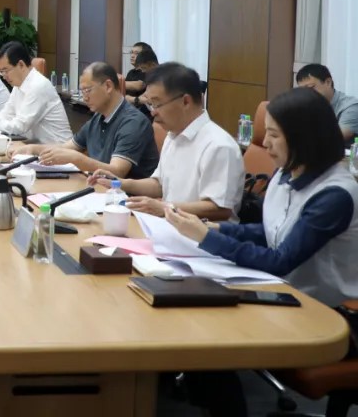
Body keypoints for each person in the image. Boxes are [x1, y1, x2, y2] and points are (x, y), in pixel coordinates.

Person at [167, 87, 357, 306]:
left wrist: (207, 238)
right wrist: (215, 228)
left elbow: (281, 261)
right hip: (279, 290)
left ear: (304, 139)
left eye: (274, 135)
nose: (265, 142)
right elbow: (273, 232)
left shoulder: (334, 195)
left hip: (322, 306)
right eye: (266, 132)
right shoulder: (285, 172)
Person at [88, 62, 243, 220]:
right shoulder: (173, 136)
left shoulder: (219, 146)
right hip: (169, 226)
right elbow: (159, 185)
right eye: (150, 104)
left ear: (185, 101)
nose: (153, 112)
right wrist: (118, 183)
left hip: (203, 234)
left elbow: (220, 209)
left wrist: (166, 208)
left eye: (157, 104)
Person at [13, 62, 158, 179]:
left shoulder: (133, 122)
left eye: (87, 90)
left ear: (108, 86)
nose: (84, 97)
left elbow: (117, 172)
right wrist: (33, 149)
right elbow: (66, 148)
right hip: (98, 190)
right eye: (82, 92)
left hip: (125, 199)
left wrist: (77, 159)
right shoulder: (98, 117)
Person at [0, 41, 71, 144]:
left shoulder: (38, 86)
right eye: (1, 72)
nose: (4, 76)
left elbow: (20, 126)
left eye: (5, 70)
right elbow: (5, 116)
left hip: (58, 151)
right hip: (34, 146)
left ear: (21, 65)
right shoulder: (18, 85)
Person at [296, 63, 358, 140]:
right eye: (302, 90)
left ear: (328, 82)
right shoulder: (305, 106)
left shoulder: (350, 106)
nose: (306, 93)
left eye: (310, 87)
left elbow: (336, 138)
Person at [126, 48, 159, 118]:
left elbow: (149, 100)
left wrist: (133, 99)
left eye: (144, 68)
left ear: (153, 65)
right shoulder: (152, 76)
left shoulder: (163, 77)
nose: (143, 71)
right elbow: (145, 95)